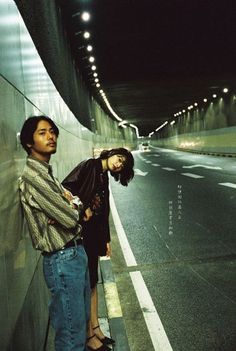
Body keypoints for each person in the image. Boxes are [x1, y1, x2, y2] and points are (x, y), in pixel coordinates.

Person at [19, 115, 92, 351]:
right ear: (29, 142)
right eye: (42, 132)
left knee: (78, 331)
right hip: (62, 260)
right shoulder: (34, 178)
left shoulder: (46, 172)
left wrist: (71, 205)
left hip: (72, 254)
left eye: (52, 131)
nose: (51, 136)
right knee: (71, 337)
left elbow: (76, 205)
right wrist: (70, 207)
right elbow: (71, 217)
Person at [62, 148, 135, 351]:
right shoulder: (90, 165)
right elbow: (66, 187)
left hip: (93, 236)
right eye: (119, 159)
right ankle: (88, 336)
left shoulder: (103, 176)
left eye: (122, 165)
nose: (119, 164)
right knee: (87, 283)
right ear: (111, 153)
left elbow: (104, 211)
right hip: (82, 234)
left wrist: (107, 240)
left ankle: (96, 329)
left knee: (93, 282)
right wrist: (81, 206)